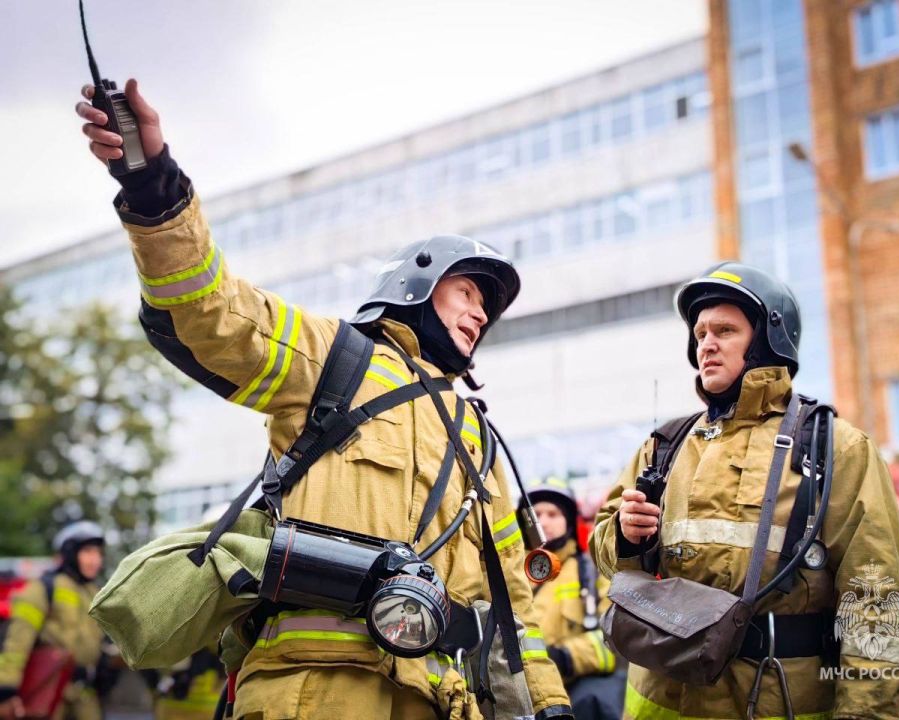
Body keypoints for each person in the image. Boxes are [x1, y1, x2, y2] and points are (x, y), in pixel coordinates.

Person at [74, 80, 570, 720]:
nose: (481, 314)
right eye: (470, 291)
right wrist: (153, 183)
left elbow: (511, 610)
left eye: (487, 307)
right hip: (311, 694)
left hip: (436, 703)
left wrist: (548, 706)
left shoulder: (474, 435)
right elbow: (212, 310)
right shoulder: (338, 359)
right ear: (415, 284)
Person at [590, 262, 899, 720]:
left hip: (777, 699)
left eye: (725, 330)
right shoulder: (665, 445)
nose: (707, 344)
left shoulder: (835, 446)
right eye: (699, 334)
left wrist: (865, 713)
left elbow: (874, 600)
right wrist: (624, 536)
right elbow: (604, 550)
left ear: (767, 340)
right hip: (663, 701)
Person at [525, 477, 624, 720]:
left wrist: (565, 658)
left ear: (568, 519)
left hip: (573, 697)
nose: (544, 522)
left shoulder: (591, 572)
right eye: (536, 513)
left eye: (553, 513)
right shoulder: (509, 575)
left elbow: (617, 639)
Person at [0, 521, 107, 720]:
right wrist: (6, 689)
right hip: (49, 693)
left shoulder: (94, 593)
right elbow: (17, 643)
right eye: (88, 552)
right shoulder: (42, 588)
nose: (96, 560)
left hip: (85, 696)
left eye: (99, 553)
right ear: (69, 553)